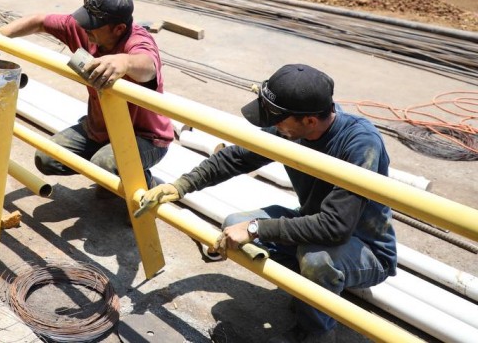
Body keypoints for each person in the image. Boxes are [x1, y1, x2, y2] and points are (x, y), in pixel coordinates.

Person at [138, 64, 397, 343]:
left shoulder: (360, 142)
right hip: (316, 226)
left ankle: (314, 333)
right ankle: (311, 290)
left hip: (365, 248)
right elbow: (235, 158)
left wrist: (255, 228)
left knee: (316, 259)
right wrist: (180, 186)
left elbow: (336, 227)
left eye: (278, 120)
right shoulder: (293, 127)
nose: (274, 127)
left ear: (309, 120)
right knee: (233, 225)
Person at [0, 0, 174, 191]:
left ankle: (147, 184)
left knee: (103, 165)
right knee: (47, 159)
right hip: (100, 128)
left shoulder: (137, 41)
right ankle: (113, 176)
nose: (85, 28)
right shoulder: (85, 30)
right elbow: (39, 22)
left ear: (118, 29)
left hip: (146, 138)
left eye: (93, 24)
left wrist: (125, 62)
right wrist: (0, 35)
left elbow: (148, 66)